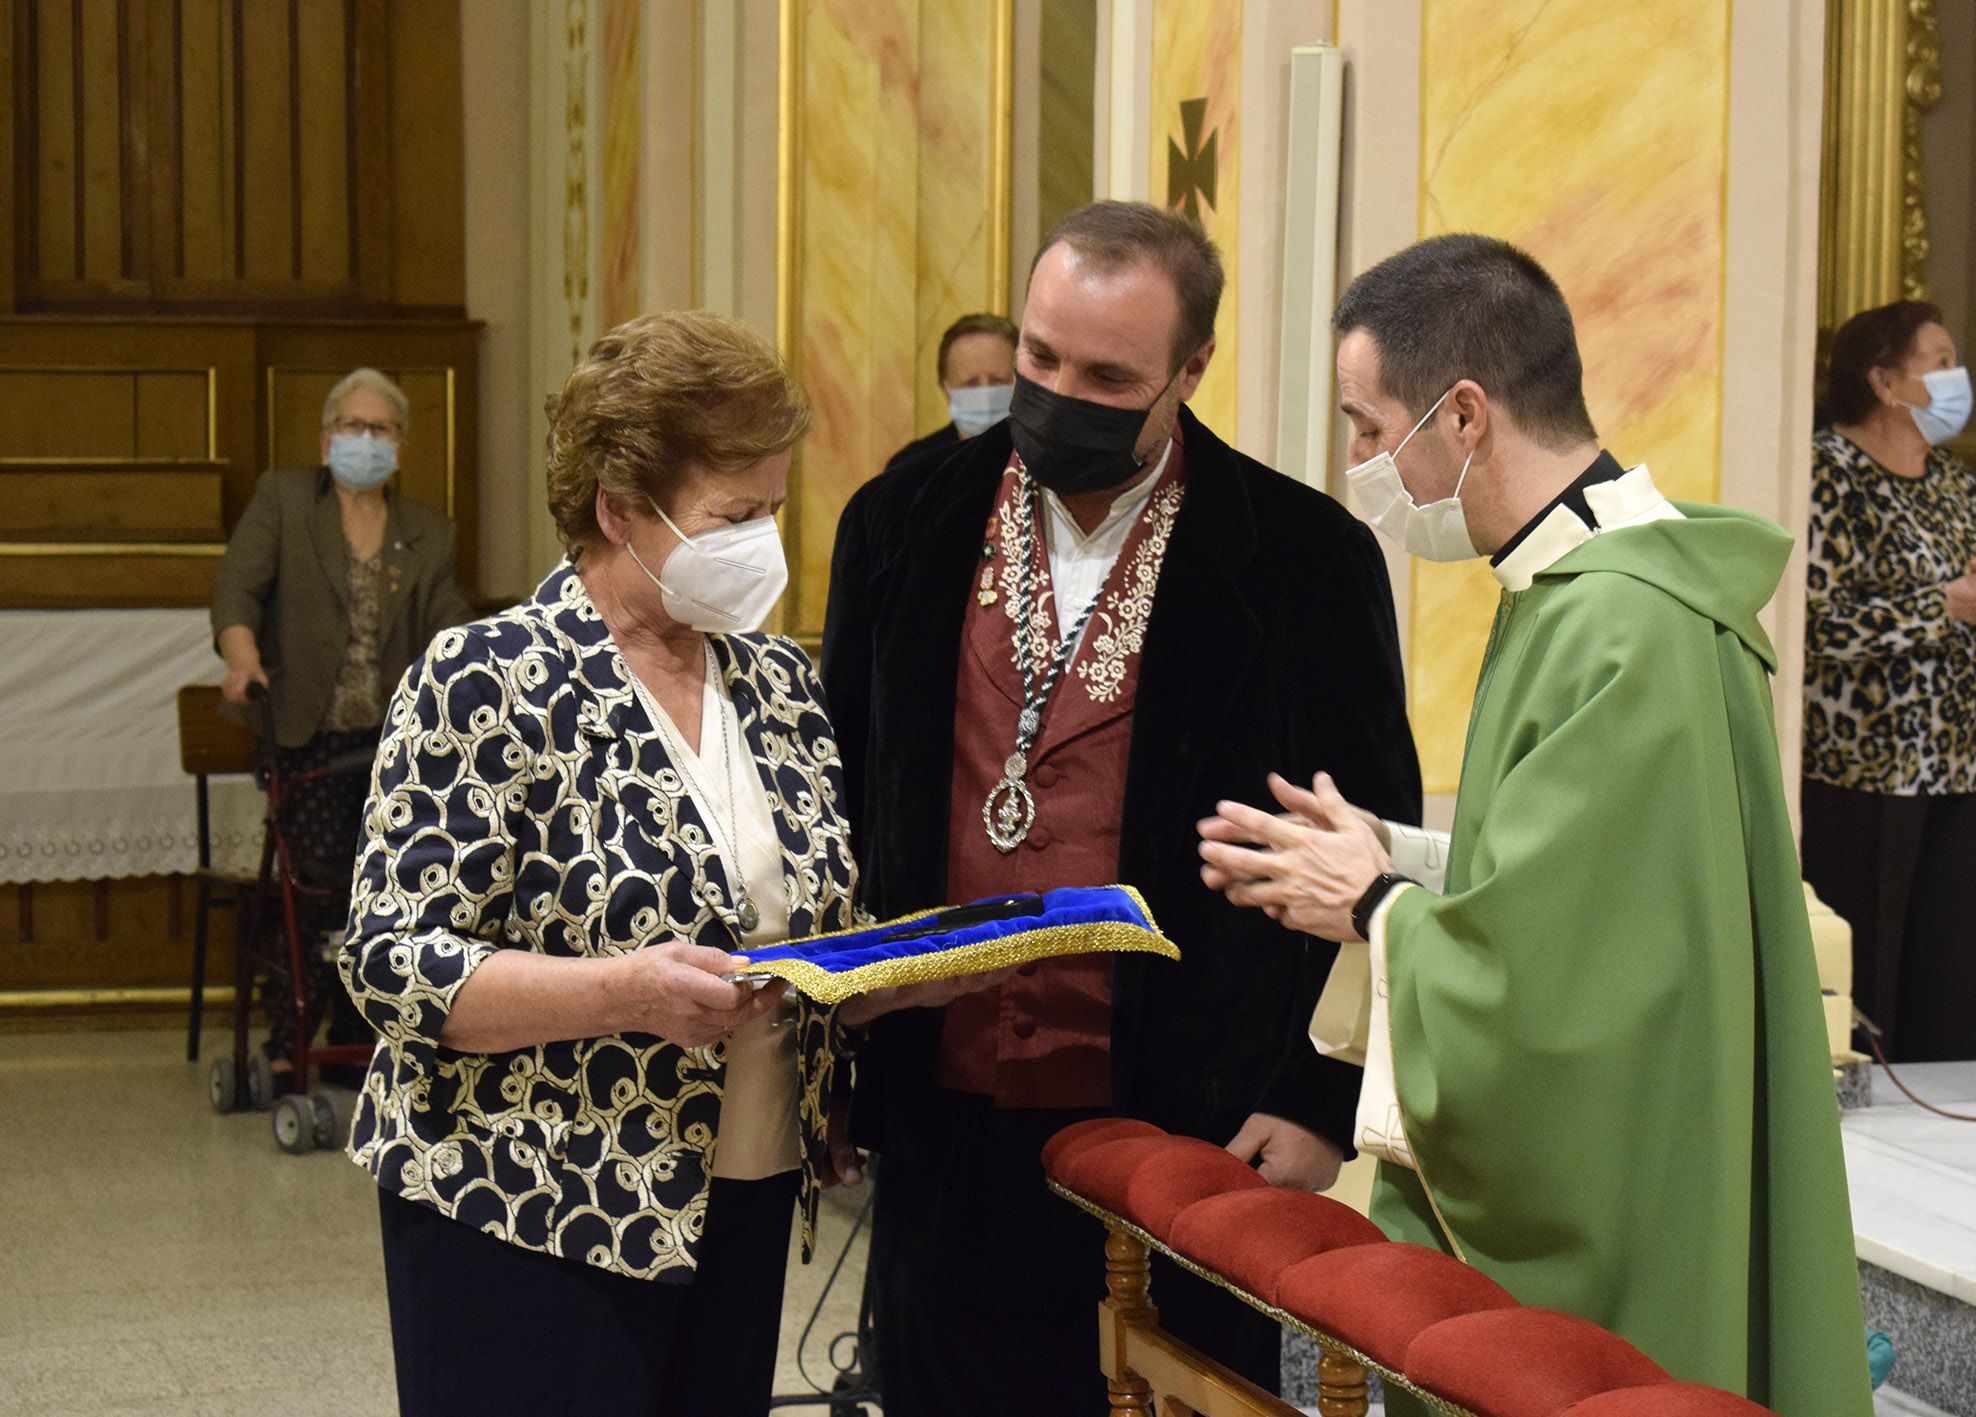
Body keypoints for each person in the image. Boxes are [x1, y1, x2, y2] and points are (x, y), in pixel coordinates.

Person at [1196, 235, 1875, 1415]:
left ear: (1461, 416)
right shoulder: (1585, 590)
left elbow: (1572, 998)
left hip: (1631, 1195)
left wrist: (1370, 906)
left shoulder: (1623, 623)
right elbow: (1590, 884)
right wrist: (1396, 856)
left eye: (1369, 427)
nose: (1358, 462)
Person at [820, 200, 1423, 1415]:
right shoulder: (898, 522)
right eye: (1039, 358)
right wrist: (834, 1063)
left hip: (1191, 1125)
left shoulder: (1303, 558)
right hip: (944, 1107)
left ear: (1190, 368)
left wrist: (1314, 1100)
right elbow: (835, 800)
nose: (1054, 393)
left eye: (1105, 374)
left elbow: (1367, 844)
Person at [337, 312, 863, 1416]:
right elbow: (393, 961)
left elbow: (819, 909)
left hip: (742, 1183)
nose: (762, 541)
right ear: (619, 511)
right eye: (734, 514)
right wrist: (623, 992)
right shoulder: (487, 677)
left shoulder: (777, 682)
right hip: (528, 1194)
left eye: (774, 509)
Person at [1804, 301, 1976, 1062]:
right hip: (1867, 774)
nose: (1957, 378)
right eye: (1939, 361)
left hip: (1961, 768)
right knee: (1875, 967)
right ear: (1883, 380)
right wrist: (1947, 605)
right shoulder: (1828, 474)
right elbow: (1821, 624)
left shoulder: (1948, 480)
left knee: (1952, 971)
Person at [210, 367, 471, 1084]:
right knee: (319, 885)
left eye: (379, 428)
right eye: (352, 427)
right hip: (305, 737)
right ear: (327, 440)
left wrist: (480, 661)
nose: (365, 439)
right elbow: (236, 590)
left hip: (390, 746)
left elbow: (449, 619)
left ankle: (360, 1040)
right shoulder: (286, 501)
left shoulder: (428, 532)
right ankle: (292, 1031)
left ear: (401, 445)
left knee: (396, 885)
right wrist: (242, 659)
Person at [881, 312, 1020, 471]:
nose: (986, 394)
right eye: (971, 383)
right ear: (946, 390)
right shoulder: (910, 466)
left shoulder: (1042, 460)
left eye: (998, 380)